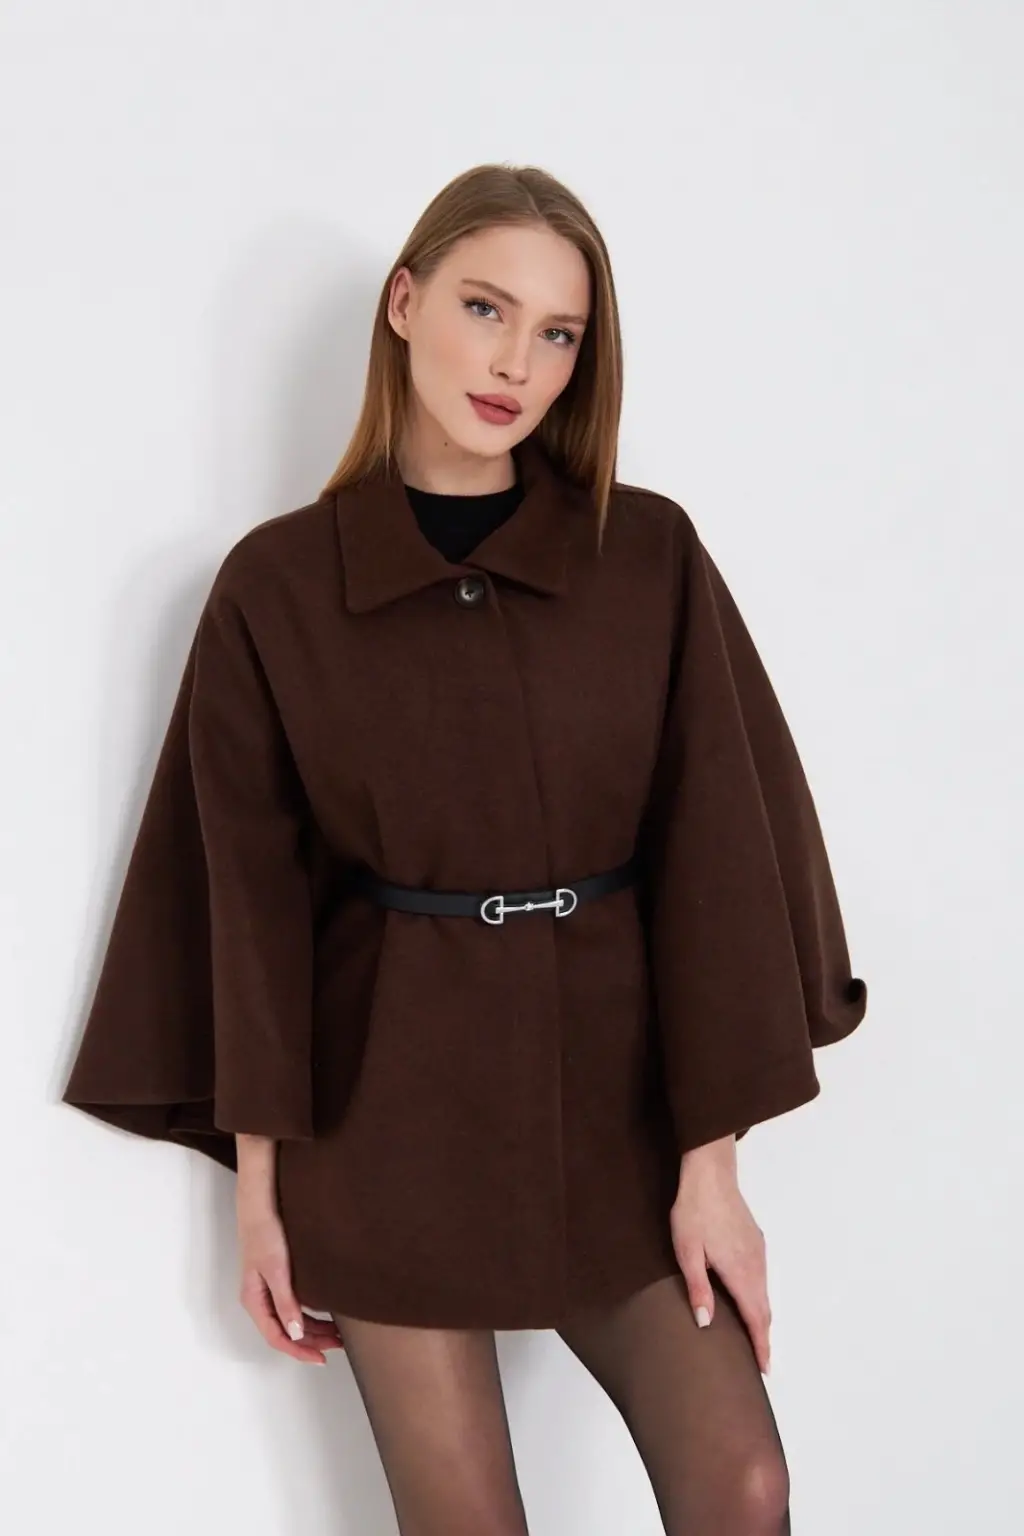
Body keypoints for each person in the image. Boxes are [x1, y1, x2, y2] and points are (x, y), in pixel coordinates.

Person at [61, 162, 867, 1534]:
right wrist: (262, 1199)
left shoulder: (647, 556)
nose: (515, 364)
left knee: (744, 1486)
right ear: (404, 302)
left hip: (619, 1121)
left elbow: (718, 851)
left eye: (558, 334)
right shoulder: (276, 588)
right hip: (385, 1129)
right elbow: (250, 907)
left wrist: (713, 1164)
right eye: (486, 308)